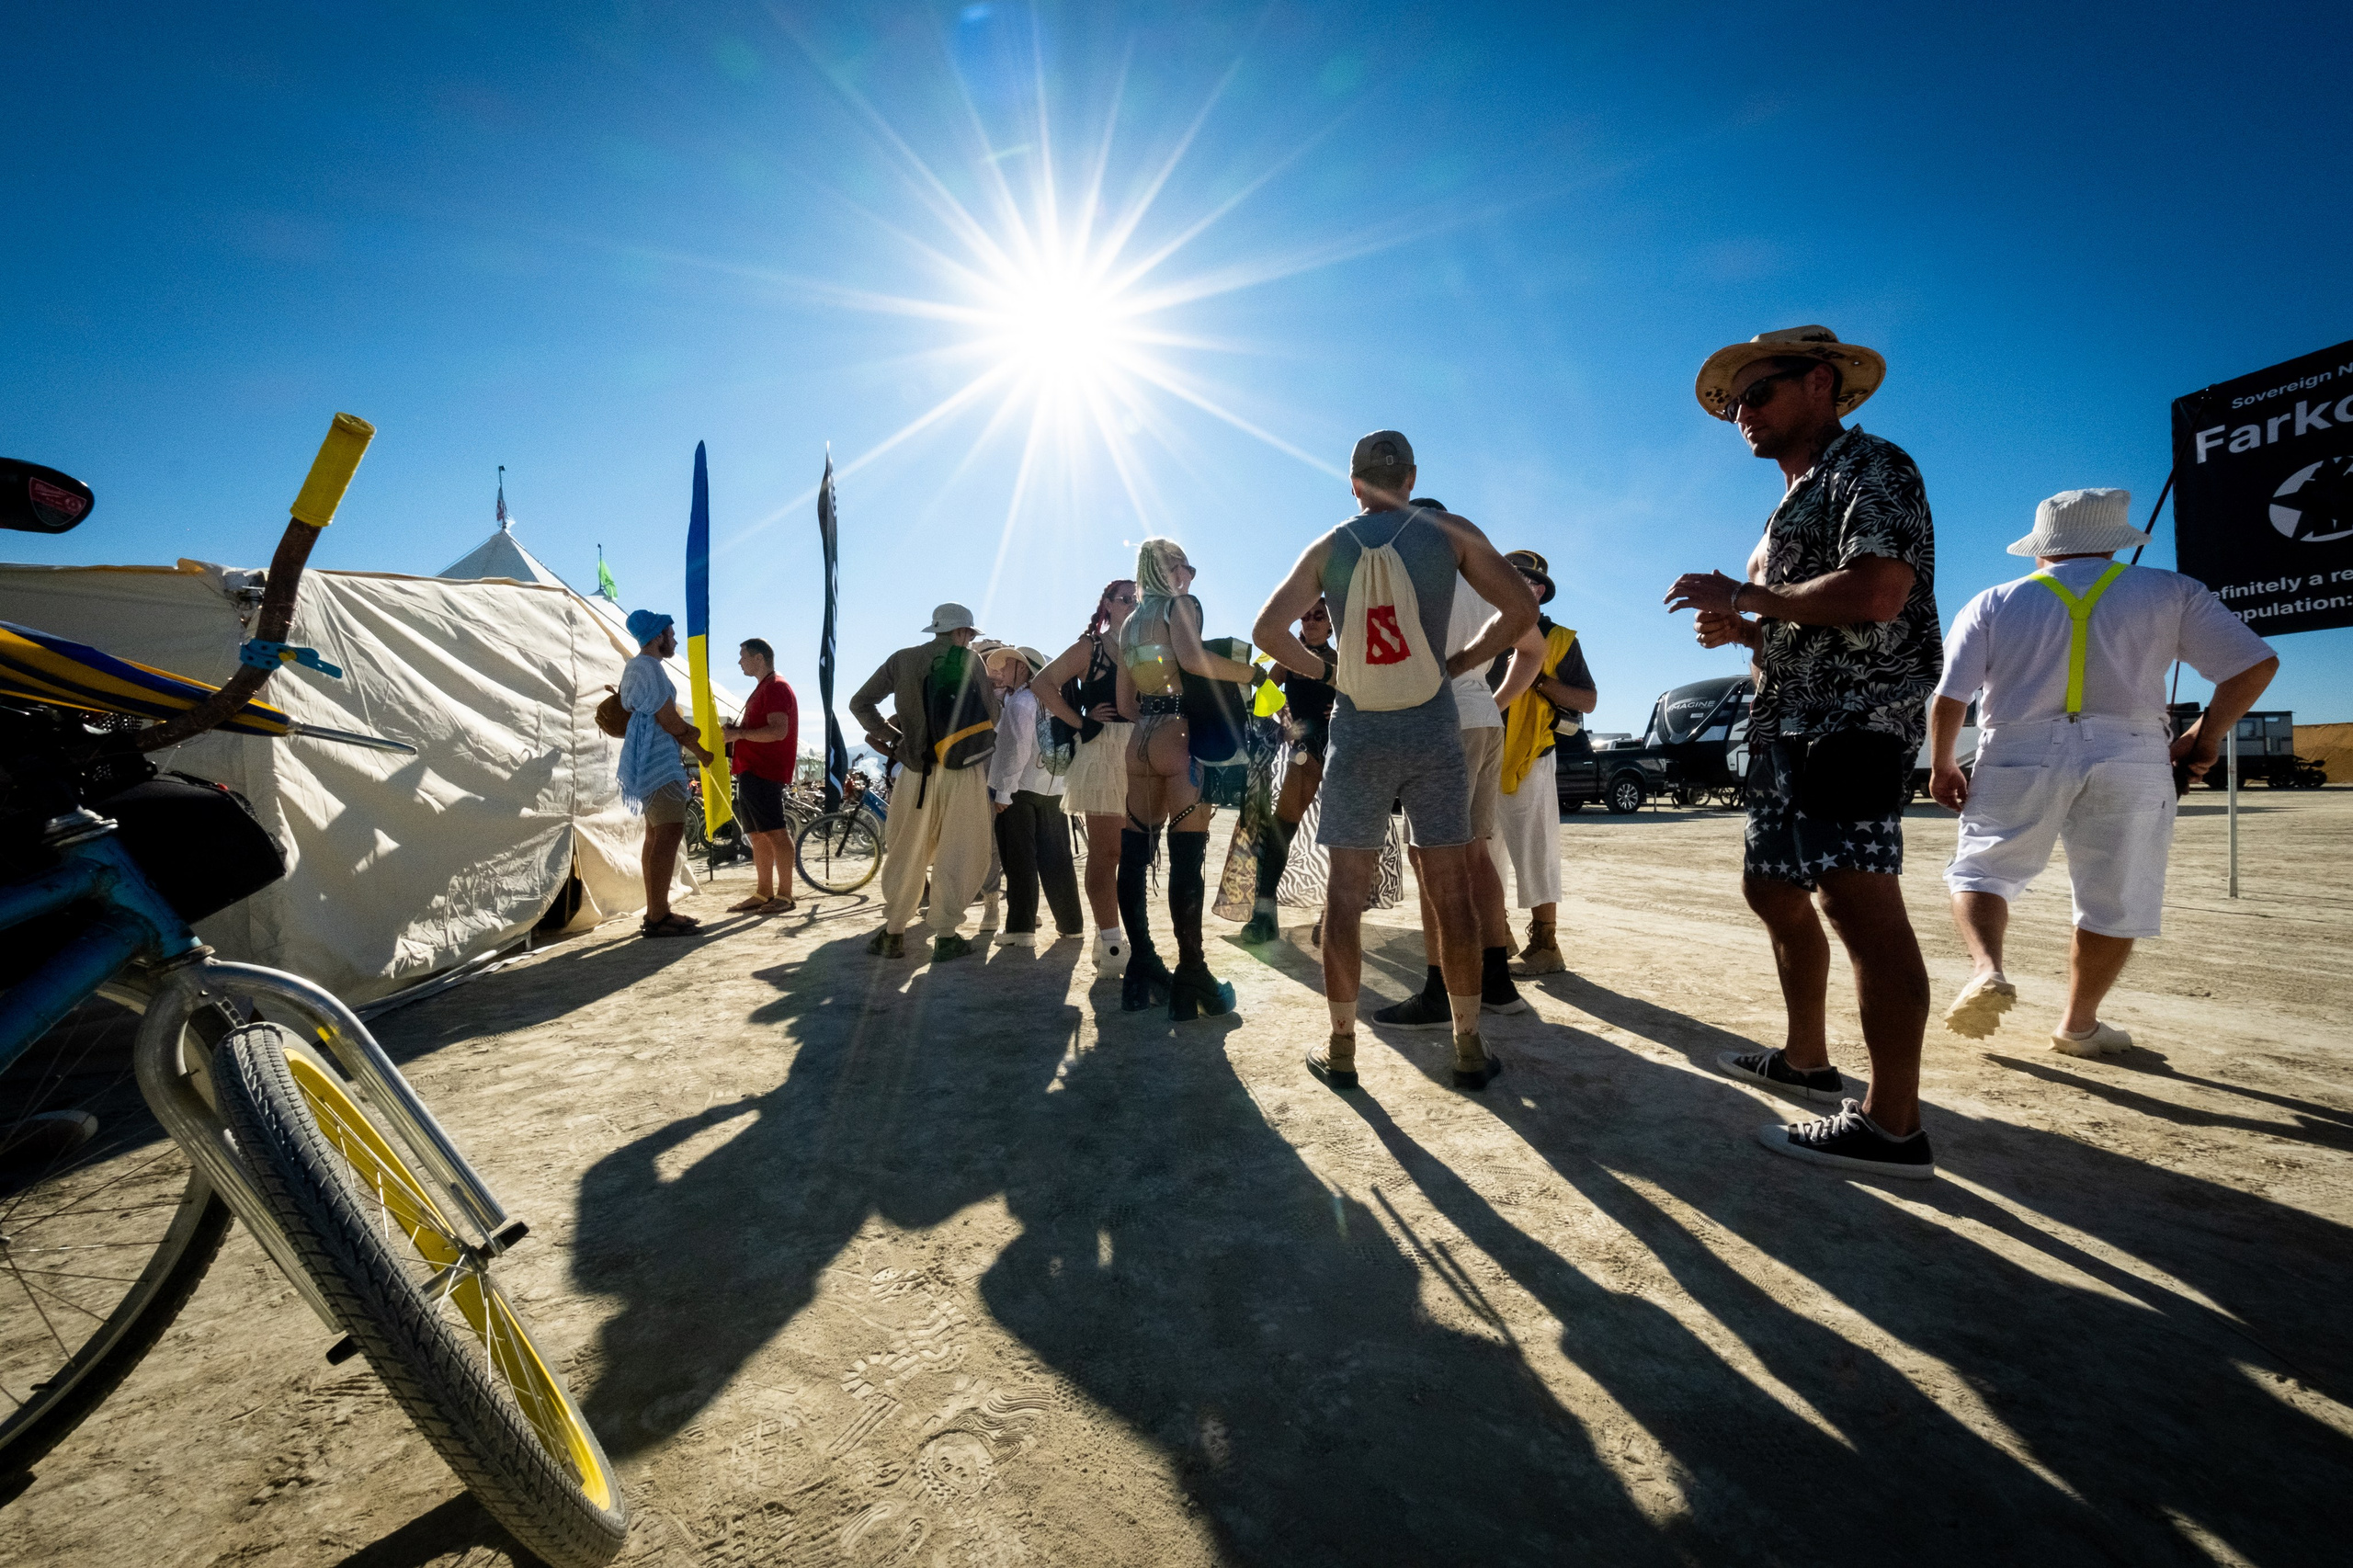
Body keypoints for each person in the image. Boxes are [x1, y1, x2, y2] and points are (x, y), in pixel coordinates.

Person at [1668, 324, 1941, 1179]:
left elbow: (1879, 592)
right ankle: (1807, 1061)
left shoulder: (1871, 467)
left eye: (1758, 393)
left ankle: (1893, 1128)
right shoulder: (1793, 499)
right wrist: (1748, 630)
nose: (1742, 413)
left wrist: (1748, 595)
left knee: (1859, 907)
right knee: (1772, 888)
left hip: (1855, 720)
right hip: (1786, 725)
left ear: (1820, 382)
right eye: (1733, 406)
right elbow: (1803, 624)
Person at [1931, 487, 2279, 1055]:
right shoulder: (2171, 590)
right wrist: (2203, 736)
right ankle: (2079, 1025)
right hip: (2131, 750)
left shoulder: (1992, 601)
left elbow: (1951, 696)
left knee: (1982, 870)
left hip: (2017, 745)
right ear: (2115, 543)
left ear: (2042, 546)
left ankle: (1986, 968)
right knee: (2115, 894)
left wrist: (1944, 763)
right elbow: (2254, 665)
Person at [1255, 431, 1539, 1093]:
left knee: (1344, 894)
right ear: (1411, 478)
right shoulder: (1451, 533)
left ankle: (1342, 1047)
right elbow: (1522, 609)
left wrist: (1329, 670)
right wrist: (1461, 661)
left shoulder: (1329, 547)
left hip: (1359, 729)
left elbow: (1268, 631)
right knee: (1451, 888)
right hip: (1432, 725)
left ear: (1353, 483)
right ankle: (1468, 1045)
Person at [1370, 498, 1545, 1030]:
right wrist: (1494, 700)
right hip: (1483, 719)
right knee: (1475, 854)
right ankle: (1496, 982)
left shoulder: (1409, 572)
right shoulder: (1482, 579)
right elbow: (1533, 649)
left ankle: (1439, 988)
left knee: (1432, 858)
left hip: (1437, 722)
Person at [1117, 538, 1259, 1018]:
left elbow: (1124, 704)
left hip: (1141, 740)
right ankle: (1192, 974)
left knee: (1134, 855)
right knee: (1186, 856)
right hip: (1179, 736)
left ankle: (1141, 964)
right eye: (1183, 566)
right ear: (1165, 569)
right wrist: (1250, 675)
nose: (1189, 576)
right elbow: (1194, 660)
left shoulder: (1129, 623)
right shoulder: (1181, 606)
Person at [847, 602, 1000, 962]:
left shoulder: (902, 659)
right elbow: (993, 714)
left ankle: (894, 932)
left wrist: (895, 738)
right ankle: (946, 935)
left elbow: (860, 703)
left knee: (907, 848)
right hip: (961, 770)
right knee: (959, 847)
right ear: (962, 631)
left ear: (936, 629)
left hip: (916, 769)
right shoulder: (970, 660)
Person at [1489, 550, 1598, 976]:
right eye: (1508, 577)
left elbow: (1587, 700)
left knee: (1536, 852)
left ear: (1539, 592)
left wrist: (1540, 680)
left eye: (1526, 581)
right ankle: (1497, 936)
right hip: (1482, 755)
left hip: (1530, 756)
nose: (1516, 586)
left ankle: (1546, 946)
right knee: (1483, 855)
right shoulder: (1484, 632)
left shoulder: (1559, 640)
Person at [1035, 580, 1140, 973]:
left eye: (1138, 599)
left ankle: (1108, 934)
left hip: (1140, 751)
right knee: (1107, 852)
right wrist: (1080, 722)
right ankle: (1112, 943)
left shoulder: (1146, 645)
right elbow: (1042, 683)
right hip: (1102, 753)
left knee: (1132, 853)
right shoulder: (1091, 647)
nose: (1132, 604)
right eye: (1125, 598)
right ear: (1107, 605)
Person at [1236, 598, 1337, 945]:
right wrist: (1284, 718)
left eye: (1319, 616)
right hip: (1305, 749)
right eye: (1305, 616)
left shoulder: (1341, 660)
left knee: (1342, 836)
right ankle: (1264, 914)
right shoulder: (1288, 660)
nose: (1310, 621)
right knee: (1282, 829)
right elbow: (1262, 695)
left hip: (1341, 747)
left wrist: (1342, 706)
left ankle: (1333, 916)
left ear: (1331, 624)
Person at [617, 608, 712, 938]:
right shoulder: (650, 667)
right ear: (657, 636)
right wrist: (696, 738)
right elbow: (669, 722)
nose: (674, 640)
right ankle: (658, 914)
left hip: (646, 760)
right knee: (668, 834)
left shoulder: (636, 667)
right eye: (670, 634)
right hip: (658, 761)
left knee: (656, 836)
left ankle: (656, 910)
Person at [984, 642, 1085, 947]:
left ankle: (1021, 929)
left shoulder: (1021, 702)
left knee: (1020, 860)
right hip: (1053, 789)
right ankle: (1071, 924)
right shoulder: (1053, 701)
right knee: (1058, 858)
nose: (1002, 669)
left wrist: (1003, 791)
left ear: (1023, 667)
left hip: (1019, 791)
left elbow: (1016, 749)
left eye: (1008, 663)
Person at [720, 637, 798, 915]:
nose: (739, 662)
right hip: (752, 770)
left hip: (764, 769)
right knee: (757, 834)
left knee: (775, 832)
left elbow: (778, 731)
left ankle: (785, 895)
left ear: (758, 658)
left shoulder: (775, 687)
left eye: (743, 656)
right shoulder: (767, 687)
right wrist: (738, 733)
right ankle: (764, 892)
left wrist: (739, 734)